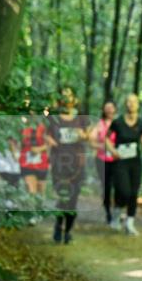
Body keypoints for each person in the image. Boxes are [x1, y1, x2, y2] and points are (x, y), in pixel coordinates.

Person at [48, 88, 88, 243]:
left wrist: (81, 134)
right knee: (62, 196)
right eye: (62, 94)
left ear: (74, 98)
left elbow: (88, 136)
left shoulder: (81, 117)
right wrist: (50, 141)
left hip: (76, 163)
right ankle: (58, 227)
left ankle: (68, 231)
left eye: (69, 94)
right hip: (58, 162)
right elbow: (46, 134)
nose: (66, 97)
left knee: (73, 198)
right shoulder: (53, 118)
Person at [106, 94, 142, 236]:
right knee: (124, 191)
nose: (131, 104)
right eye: (128, 102)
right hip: (120, 161)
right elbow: (106, 138)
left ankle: (130, 223)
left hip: (135, 162)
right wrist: (112, 151)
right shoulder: (118, 122)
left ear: (138, 105)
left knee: (134, 193)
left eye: (133, 102)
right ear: (125, 104)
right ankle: (117, 214)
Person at [90, 101, 118, 228]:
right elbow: (91, 141)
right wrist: (102, 146)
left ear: (115, 109)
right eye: (107, 108)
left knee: (119, 186)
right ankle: (108, 213)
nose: (109, 110)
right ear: (104, 110)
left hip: (117, 160)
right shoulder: (99, 125)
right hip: (102, 160)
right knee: (107, 186)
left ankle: (118, 210)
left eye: (111, 107)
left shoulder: (118, 123)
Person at [19, 116, 50, 197]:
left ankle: (39, 208)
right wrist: (15, 154)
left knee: (40, 194)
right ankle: (30, 208)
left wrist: (39, 149)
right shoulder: (21, 126)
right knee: (31, 192)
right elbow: (13, 142)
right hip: (26, 163)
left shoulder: (44, 127)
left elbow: (51, 143)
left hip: (42, 164)